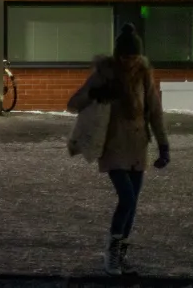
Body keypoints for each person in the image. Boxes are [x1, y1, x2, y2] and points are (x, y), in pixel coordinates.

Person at [66, 25, 169, 275]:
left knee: (132, 204)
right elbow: (73, 104)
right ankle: (111, 252)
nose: (129, 61)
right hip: (112, 144)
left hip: (137, 144)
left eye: (133, 57)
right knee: (127, 198)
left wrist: (163, 145)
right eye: (125, 56)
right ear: (117, 55)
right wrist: (97, 93)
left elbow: (154, 111)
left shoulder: (144, 74)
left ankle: (121, 253)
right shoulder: (105, 73)